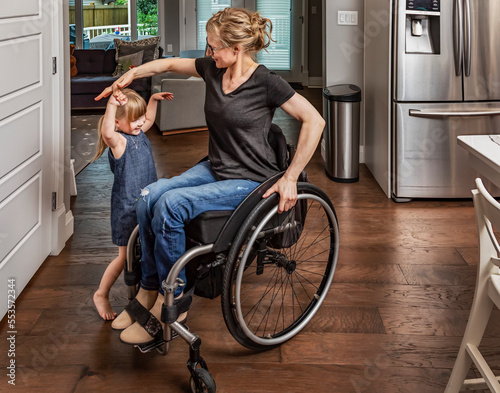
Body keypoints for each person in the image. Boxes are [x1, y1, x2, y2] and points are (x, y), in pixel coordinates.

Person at [96, 7, 325, 344]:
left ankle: (175, 299)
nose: (208, 53)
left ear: (237, 49)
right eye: (208, 46)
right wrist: (130, 76)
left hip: (250, 179)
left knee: (171, 205)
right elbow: (170, 63)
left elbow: (315, 121)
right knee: (148, 197)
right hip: (216, 166)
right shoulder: (214, 70)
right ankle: (148, 289)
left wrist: (290, 177)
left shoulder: (266, 83)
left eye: (214, 47)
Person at [92, 88, 174, 320]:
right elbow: (107, 132)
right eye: (135, 119)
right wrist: (111, 104)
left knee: (146, 248)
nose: (141, 122)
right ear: (118, 123)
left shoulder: (139, 133)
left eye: (141, 118)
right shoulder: (118, 142)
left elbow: (147, 119)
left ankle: (145, 290)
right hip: (127, 210)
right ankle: (101, 293)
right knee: (124, 257)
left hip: (147, 205)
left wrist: (153, 101)